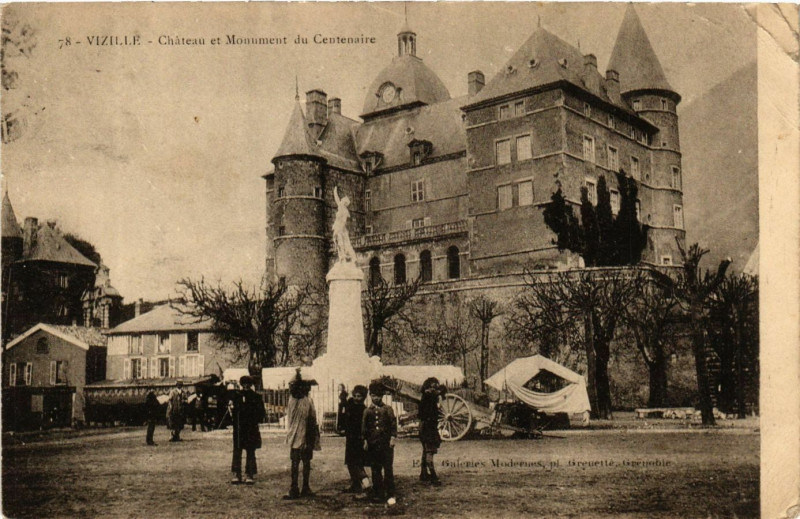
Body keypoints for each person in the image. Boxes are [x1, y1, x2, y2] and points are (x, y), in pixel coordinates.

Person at [284, 373, 319, 499]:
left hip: (307, 434)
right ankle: (294, 487)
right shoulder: (294, 400)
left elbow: (312, 418)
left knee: (306, 461)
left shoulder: (308, 400)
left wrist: (312, 435)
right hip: (296, 435)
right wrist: (297, 376)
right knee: (295, 461)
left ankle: (305, 486)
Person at [362, 381, 397, 503]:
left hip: (386, 445)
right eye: (373, 395)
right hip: (373, 445)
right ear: (370, 395)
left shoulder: (387, 409)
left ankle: (390, 492)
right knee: (375, 469)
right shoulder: (367, 411)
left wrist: (393, 438)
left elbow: (393, 425)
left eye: (378, 395)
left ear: (382, 396)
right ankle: (378, 493)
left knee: (388, 468)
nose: (375, 398)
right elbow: (364, 428)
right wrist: (365, 440)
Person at [230, 376, 266, 485]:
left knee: (250, 451)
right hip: (239, 428)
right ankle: (237, 473)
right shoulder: (236, 396)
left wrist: (253, 418)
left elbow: (261, 414)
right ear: (241, 384)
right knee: (237, 450)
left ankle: (249, 474)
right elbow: (233, 413)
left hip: (251, 428)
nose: (245, 386)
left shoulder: (256, 397)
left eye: (247, 384)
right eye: (243, 384)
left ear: (251, 385)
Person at [343, 385, 370, 493]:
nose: (356, 398)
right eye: (355, 395)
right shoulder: (350, 404)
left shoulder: (364, 410)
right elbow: (345, 403)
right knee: (350, 463)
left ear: (363, 397)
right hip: (350, 438)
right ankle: (355, 484)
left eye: (359, 396)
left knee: (358, 463)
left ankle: (367, 484)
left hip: (358, 439)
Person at [419, 377, 443, 485]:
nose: (434, 390)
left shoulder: (424, 398)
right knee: (429, 452)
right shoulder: (431, 399)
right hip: (429, 428)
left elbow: (420, 415)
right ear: (427, 388)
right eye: (432, 388)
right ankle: (433, 476)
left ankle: (423, 473)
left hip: (424, 427)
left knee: (425, 450)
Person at [332, 186, 356, 262]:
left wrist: (339, 229)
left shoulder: (345, 211)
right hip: (338, 227)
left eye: (342, 201)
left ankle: (344, 256)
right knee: (339, 242)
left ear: (345, 203)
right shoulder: (341, 207)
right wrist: (335, 191)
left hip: (341, 229)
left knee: (342, 242)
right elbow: (337, 199)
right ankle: (342, 256)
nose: (341, 201)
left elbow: (343, 222)